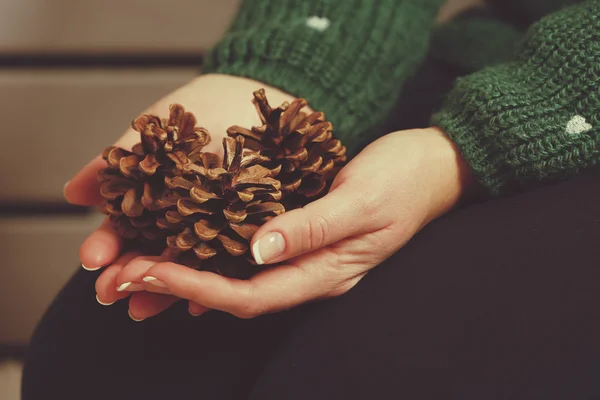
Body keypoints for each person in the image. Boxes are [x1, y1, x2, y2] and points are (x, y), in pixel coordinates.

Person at [22, 0, 600, 399]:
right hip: (499, 46)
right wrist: (292, 63)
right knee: (97, 366)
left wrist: (495, 132)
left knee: (372, 375)